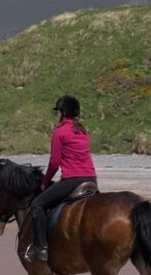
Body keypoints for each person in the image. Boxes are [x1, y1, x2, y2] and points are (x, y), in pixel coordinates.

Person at [24, 95, 98, 262]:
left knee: (37, 205)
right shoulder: (82, 131)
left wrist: (44, 183)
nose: (56, 115)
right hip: (91, 179)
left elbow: (54, 163)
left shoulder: (60, 132)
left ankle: (40, 248)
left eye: (57, 112)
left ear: (63, 113)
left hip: (73, 180)